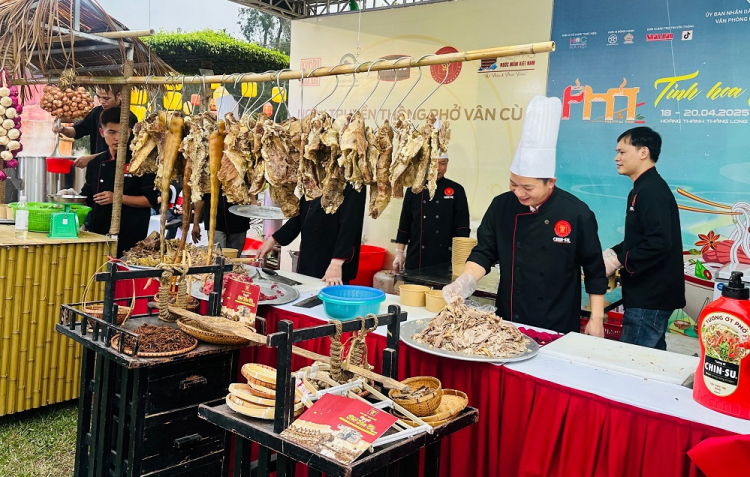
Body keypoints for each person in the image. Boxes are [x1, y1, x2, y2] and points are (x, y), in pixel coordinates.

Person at [442, 96, 608, 335]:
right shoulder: (501, 206)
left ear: (551, 182)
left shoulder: (576, 213)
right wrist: (464, 281)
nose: (519, 193)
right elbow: (485, 252)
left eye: (527, 187)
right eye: (513, 184)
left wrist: (596, 318)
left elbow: (594, 269)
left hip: (558, 321)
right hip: (510, 319)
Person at [602, 127, 685, 350]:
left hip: (651, 296)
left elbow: (658, 243)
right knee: (652, 358)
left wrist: (617, 261)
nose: (617, 158)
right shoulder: (641, 188)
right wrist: (613, 251)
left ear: (643, 152)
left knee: (634, 358)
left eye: (622, 152)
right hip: (646, 294)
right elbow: (640, 237)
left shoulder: (651, 191)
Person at [78, 107, 159, 257]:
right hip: (98, 234)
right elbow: (87, 196)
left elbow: (151, 200)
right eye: (111, 132)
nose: (117, 138)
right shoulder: (95, 163)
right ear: (102, 132)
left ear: (129, 132)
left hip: (131, 235)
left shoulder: (140, 162)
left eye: (122, 132)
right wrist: (70, 199)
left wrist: (117, 198)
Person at [256, 185, 366, 286]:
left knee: (328, 297)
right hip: (308, 259)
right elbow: (299, 217)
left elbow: (350, 226)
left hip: (333, 263)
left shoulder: (354, 183)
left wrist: (336, 263)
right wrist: (273, 240)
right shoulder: (317, 178)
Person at [392, 153, 471, 272]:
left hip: (445, 259)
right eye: (433, 163)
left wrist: (461, 260)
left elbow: (462, 228)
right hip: (416, 257)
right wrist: (399, 253)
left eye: (442, 163)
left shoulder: (456, 190)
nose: (438, 168)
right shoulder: (414, 188)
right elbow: (405, 222)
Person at [52, 85, 138, 168]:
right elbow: (76, 131)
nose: (101, 101)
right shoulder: (96, 112)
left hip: (117, 169)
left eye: (106, 98)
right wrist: (62, 129)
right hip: (97, 169)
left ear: (119, 95)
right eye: (99, 97)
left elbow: (125, 151)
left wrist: (91, 159)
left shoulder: (129, 118)